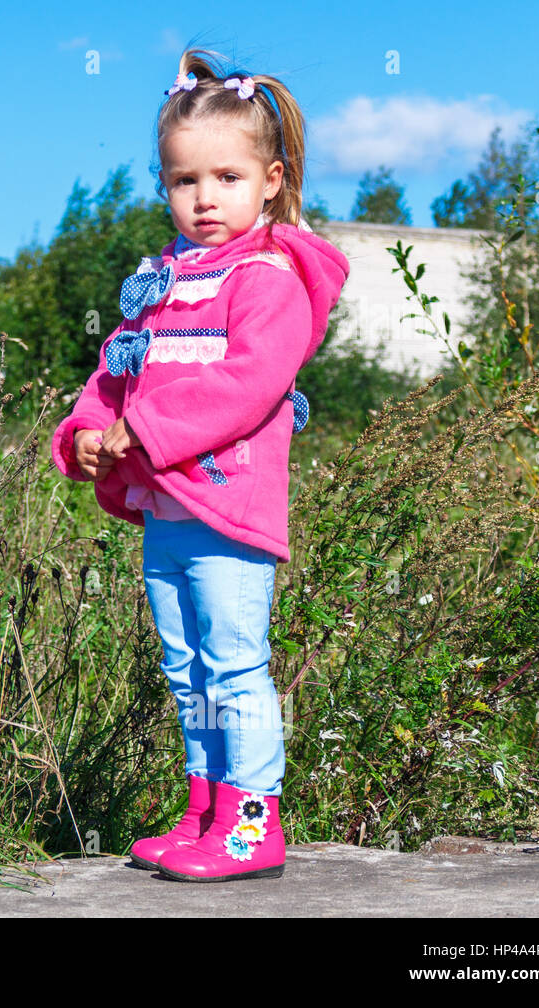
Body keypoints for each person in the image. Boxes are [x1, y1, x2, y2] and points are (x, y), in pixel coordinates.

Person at [50, 48, 350, 881]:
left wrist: (144, 429)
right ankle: (205, 810)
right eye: (185, 181)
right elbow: (116, 371)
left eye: (227, 177)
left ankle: (252, 823)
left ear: (272, 181)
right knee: (187, 669)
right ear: (165, 185)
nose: (205, 198)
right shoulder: (164, 278)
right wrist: (89, 427)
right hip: (167, 510)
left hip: (229, 511)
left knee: (233, 665)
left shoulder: (267, 278)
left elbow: (248, 383)